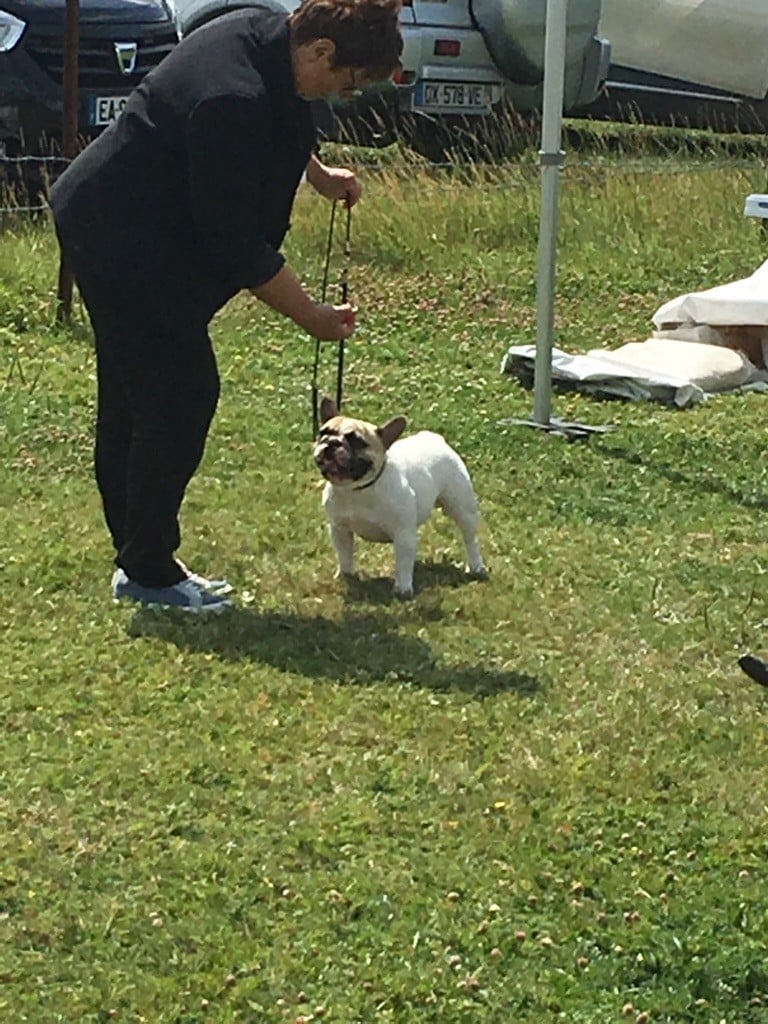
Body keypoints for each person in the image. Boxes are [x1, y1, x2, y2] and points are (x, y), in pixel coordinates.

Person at [50, 0, 403, 613]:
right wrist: (311, 316)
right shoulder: (231, 98)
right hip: (120, 237)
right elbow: (234, 240)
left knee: (143, 393)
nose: (339, 96)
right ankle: (148, 571)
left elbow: (279, 120)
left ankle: (139, 557)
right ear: (321, 51)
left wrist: (316, 175)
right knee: (176, 395)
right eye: (344, 82)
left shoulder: (265, 33)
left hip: (142, 228)